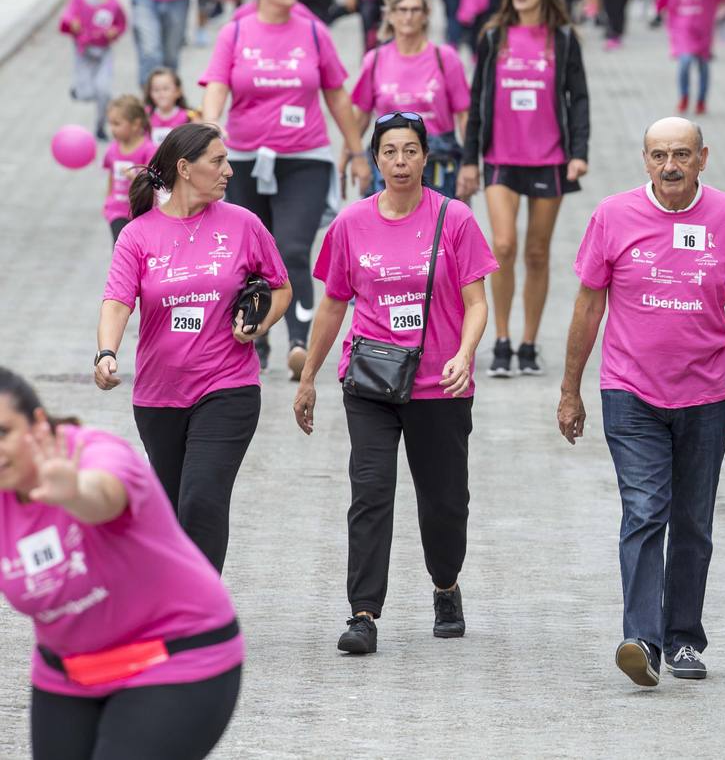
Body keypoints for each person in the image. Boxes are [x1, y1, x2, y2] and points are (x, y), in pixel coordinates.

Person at [557, 117, 725, 686]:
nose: (670, 166)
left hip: (706, 395)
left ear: (704, 157)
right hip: (630, 392)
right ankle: (642, 641)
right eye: (659, 155)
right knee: (645, 511)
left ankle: (683, 640)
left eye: (681, 154)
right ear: (645, 160)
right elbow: (588, 305)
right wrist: (570, 388)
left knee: (693, 522)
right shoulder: (613, 215)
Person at [294, 111, 496, 655]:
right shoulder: (350, 223)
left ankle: (446, 585)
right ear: (376, 160)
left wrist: (464, 354)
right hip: (370, 380)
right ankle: (363, 613)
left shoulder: (454, 219)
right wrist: (309, 376)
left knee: (444, 502)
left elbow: (477, 303)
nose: (400, 162)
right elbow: (333, 304)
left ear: (426, 157)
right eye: (389, 152)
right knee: (370, 493)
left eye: (410, 151)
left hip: (440, 384)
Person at [0, 368, 243, 760]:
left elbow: (105, 498)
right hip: (69, 674)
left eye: (3, 432)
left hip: (176, 655)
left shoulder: (92, 452)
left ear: (38, 423)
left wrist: (74, 494)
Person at [95, 123, 292, 571]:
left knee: (202, 498)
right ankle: (174, 595)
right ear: (184, 168)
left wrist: (259, 323)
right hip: (158, 395)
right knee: (170, 513)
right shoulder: (138, 235)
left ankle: (201, 607)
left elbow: (281, 288)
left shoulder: (244, 224)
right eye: (218, 161)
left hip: (228, 387)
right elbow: (117, 301)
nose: (229, 171)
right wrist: (106, 352)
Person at [199, 0, 367, 379]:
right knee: (248, 255)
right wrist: (211, 125)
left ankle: (299, 341)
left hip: (304, 158)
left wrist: (356, 150)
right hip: (243, 159)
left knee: (292, 248)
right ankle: (254, 338)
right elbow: (217, 84)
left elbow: (336, 94)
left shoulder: (313, 31)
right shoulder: (236, 32)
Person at [462, 0, 590, 378]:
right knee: (502, 247)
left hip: (549, 158)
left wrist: (579, 151)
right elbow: (477, 99)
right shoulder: (494, 36)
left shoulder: (563, 38)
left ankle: (529, 344)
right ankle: (501, 340)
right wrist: (469, 159)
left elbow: (579, 97)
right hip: (500, 157)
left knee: (537, 253)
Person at [351, 0, 471, 197]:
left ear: (425, 15)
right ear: (390, 15)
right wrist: (351, 157)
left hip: (438, 161)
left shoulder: (445, 58)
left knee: (439, 219)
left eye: (415, 10)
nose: (408, 16)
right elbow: (360, 117)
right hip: (389, 161)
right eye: (402, 10)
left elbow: (464, 116)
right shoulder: (375, 60)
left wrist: (470, 164)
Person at [60, 0, 126, 140]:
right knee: (86, 93)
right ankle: (77, 91)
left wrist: (115, 31)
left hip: (104, 53)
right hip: (83, 52)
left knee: (103, 90)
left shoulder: (113, 3)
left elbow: (121, 23)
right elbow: (67, 17)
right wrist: (72, 24)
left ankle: (100, 126)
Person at [100, 95, 155, 242]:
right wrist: (108, 199)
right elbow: (112, 175)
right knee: (120, 245)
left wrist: (135, 177)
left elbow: (152, 180)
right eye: (110, 124)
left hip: (140, 211)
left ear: (136, 124)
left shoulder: (148, 149)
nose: (112, 129)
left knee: (139, 248)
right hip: (117, 210)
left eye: (117, 124)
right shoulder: (112, 149)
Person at [145, 66, 197, 145]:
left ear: (178, 91)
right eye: (156, 89)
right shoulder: (145, 114)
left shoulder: (188, 116)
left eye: (165, 88)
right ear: (149, 93)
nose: (161, 93)